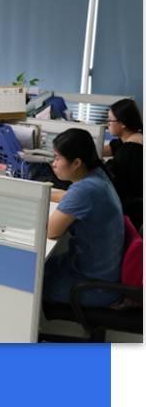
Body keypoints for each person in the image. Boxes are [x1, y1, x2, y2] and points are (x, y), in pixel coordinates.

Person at [44, 129, 124, 308]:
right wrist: (41, 194)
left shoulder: (84, 190)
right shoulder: (97, 175)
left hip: (93, 286)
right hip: (102, 273)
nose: (54, 164)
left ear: (76, 163)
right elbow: (69, 196)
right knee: (36, 267)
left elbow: (50, 231)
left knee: (26, 278)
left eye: (57, 158)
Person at [103, 98, 143, 204]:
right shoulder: (135, 137)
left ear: (123, 123)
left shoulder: (131, 149)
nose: (108, 123)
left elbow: (109, 174)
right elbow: (112, 147)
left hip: (128, 206)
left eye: (110, 120)